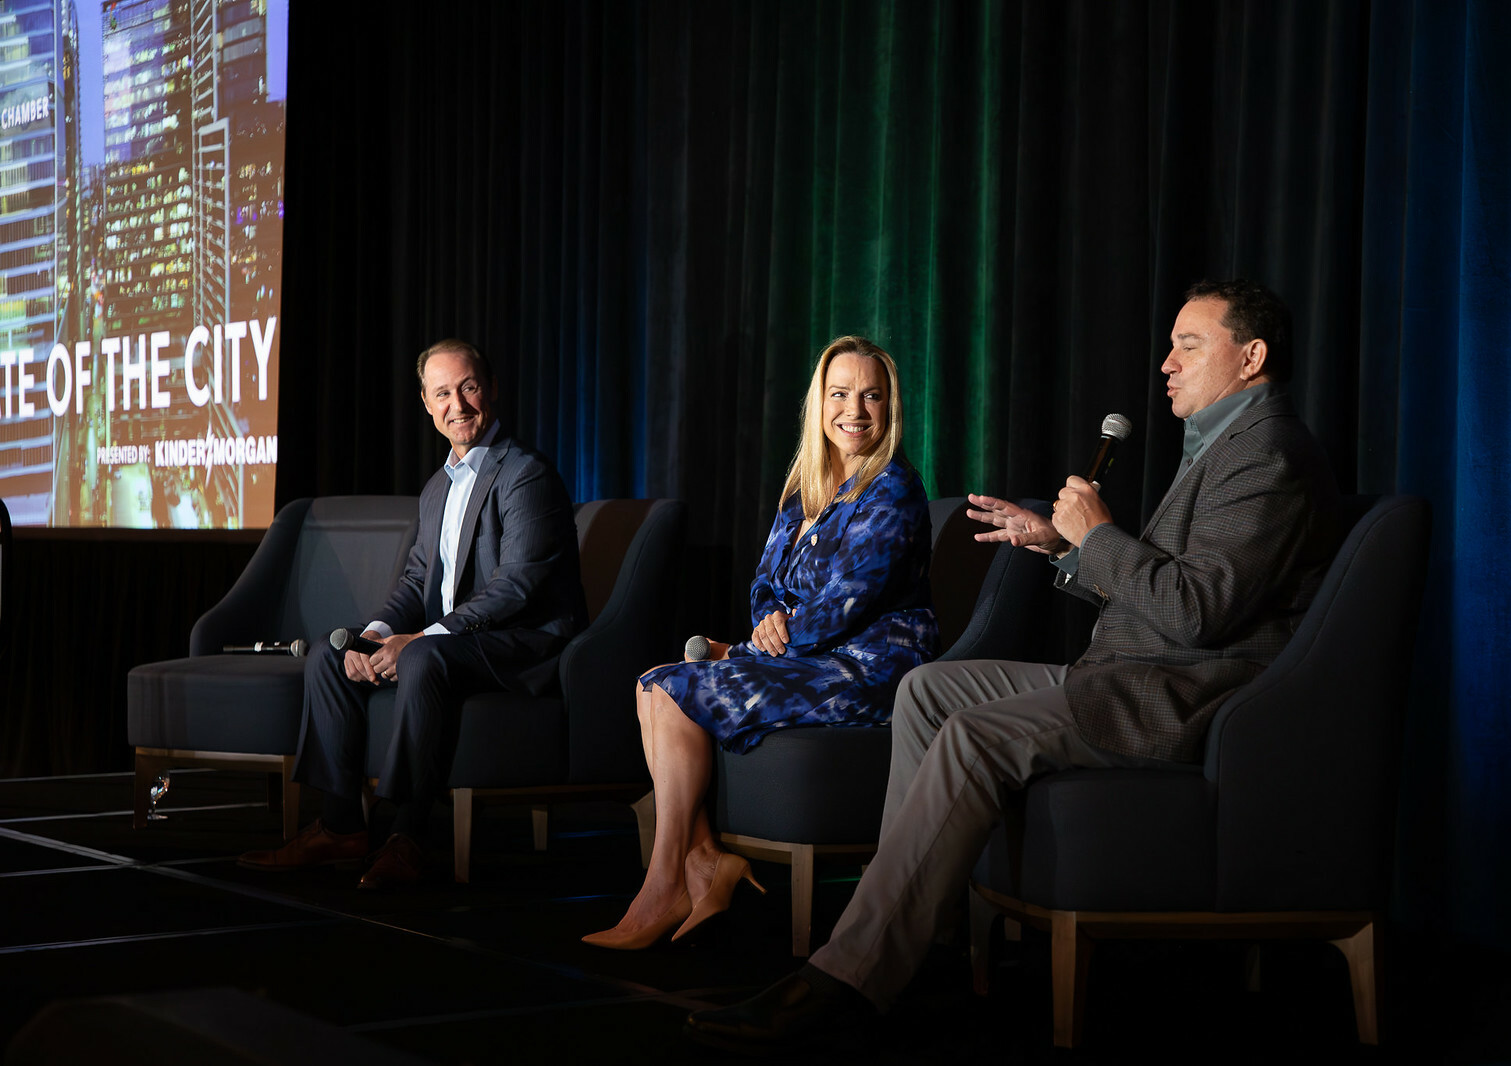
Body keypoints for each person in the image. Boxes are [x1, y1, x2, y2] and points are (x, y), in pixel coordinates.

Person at [685, 279, 1343, 1046]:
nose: (1165, 363)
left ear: (1250, 356)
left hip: (1173, 695)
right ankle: (921, 931)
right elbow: (1166, 596)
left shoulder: (1267, 455)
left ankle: (854, 971)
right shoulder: (1227, 443)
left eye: (1187, 346)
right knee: (930, 690)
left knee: (972, 734)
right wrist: (1064, 545)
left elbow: (1197, 613)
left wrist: (1098, 536)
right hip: (1131, 668)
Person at [583, 336, 939, 950]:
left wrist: (746, 651)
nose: (854, 410)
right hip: (808, 658)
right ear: (819, 403)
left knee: (671, 688)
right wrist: (767, 618)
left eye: (871, 396)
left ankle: (664, 882)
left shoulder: (894, 491)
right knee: (651, 684)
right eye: (840, 394)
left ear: (890, 407)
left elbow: (845, 605)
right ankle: (701, 862)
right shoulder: (806, 489)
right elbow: (765, 583)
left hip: (869, 668)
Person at [239, 339, 585, 888]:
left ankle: (408, 835)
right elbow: (416, 581)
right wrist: (376, 634)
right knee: (332, 654)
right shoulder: (436, 488)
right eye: (442, 393)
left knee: (422, 657)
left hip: (521, 643)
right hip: (453, 640)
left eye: (469, 387)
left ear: (492, 389)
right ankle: (340, 826)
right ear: (426, 404)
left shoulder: (525, 474)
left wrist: (422, 637)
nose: (458, 405)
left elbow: (515, 589)